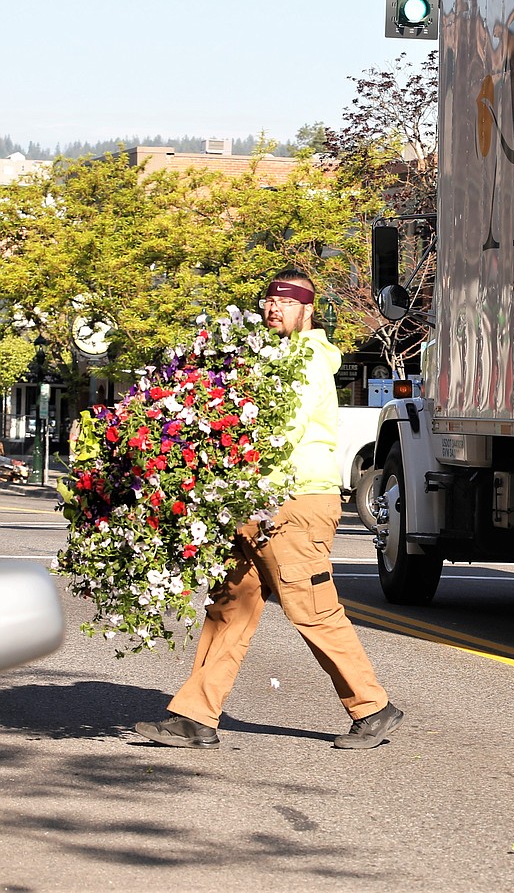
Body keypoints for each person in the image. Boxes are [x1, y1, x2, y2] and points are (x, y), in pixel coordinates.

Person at [135, 269, 403, 751]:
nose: (272, 308)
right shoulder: (271, 358)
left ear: (307, 308)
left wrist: (244, 477)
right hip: (258, 501)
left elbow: (282, 428)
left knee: (313, 610)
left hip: (294, 502)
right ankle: (195, 717)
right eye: (267, 301)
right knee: (229, 608)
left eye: (285, 301)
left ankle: (373, 707)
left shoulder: (307, 359)